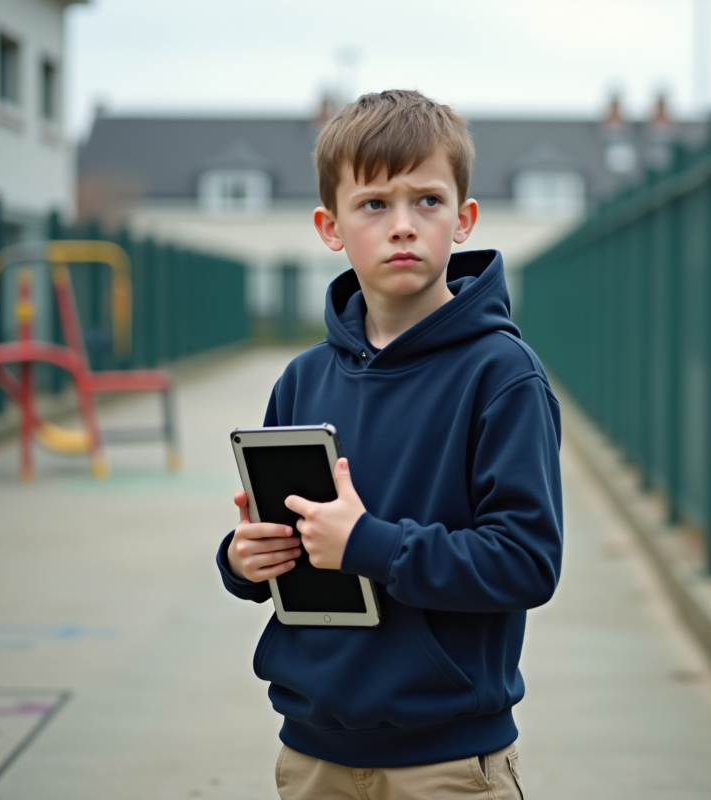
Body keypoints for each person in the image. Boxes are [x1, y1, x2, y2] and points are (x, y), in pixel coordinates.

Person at [216, 90, 562, 800]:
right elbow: (287, 546)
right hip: (312, 751)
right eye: (374, 204)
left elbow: (527, 562)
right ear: (330, 226)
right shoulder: (303, 377)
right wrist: (244, 560)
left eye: (427, 201)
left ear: (463, 218)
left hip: (448, 760)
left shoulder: (502, 376)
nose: (403, 225)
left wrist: (371, 544)